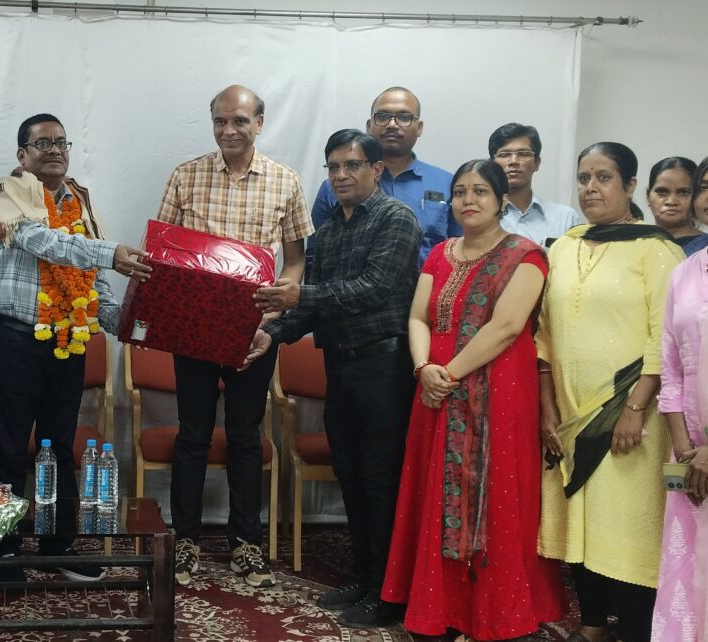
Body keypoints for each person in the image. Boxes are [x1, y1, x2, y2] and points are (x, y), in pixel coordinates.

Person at [381, 159, 566, 641]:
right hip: (435, 391)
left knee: (493, 494)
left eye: (480, 191)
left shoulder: (526, 256)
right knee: (435, 492)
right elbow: (418, 317)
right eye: (460, 191)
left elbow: (506, 327)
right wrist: (423, 369)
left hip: (496, 391)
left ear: (502, 200)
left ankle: (492, 612)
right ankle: (438, 607)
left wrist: (447, 374)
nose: (468, 200)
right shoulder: (441, 253)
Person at [250, 128, 419, 626]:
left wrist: (298, 296)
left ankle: (390, 593)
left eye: (352, 165)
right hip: (341, 368)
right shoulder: (325, 234)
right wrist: (271, 335)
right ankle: (363, 577)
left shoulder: (396, 219)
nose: (341, 175)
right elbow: (312, 311)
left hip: (386, 367)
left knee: (380, 479)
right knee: (351, 473)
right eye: (333, 167)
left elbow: (373, 288)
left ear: (377, 169)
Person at [0, 113, 149, 581]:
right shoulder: (3, 193)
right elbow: (39, 240)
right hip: (16, 341)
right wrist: (109, 253)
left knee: (58, 449)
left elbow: (94, 280)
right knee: (9, 451)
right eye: (43, 143)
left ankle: (59, 545)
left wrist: (130, 324)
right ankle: (3, 551)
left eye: (61, 142)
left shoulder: (80, 200)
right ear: (22, 154)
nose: (54, 150)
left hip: (69, 343)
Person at [158, 85, 310, 589]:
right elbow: (164, 250)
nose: (229, 130)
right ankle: (184, 540)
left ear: (259, 123)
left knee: (245, 436)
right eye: (220, 121)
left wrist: (272, 315)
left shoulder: (285, 181)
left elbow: (295, 261)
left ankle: (246, 543)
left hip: (255, 332)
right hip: (194, 329)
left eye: (240, 121)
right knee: (193, 435)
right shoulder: (185, 176)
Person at [537, 142, 682, 642]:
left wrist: (635, 408)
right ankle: (593, 626)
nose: (591, 188)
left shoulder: (657, 251)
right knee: (581, 521)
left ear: (629, 185)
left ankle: (637, 630)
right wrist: (548, 407)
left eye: (603, 178)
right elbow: (543, 335)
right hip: (571, 414)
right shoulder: (564, 246)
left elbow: (663, 338)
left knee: (629, 524)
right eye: (584, 178)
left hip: (630, 414)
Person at [652, 156, 708, 641]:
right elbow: (669, 365)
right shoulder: (686, 272)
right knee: (686, 565)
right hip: (688, 451)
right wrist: (685, 447)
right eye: (706, 186)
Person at [309, 86, 455, 266]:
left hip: (428, 284)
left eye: (404, 117)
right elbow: (314, 255)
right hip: (351, 284)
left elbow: (463, 249)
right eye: (382, 116)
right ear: (369, 126)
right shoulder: (337, 185)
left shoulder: (447, 184)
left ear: (419, 128)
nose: (392, 124)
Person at [488, 122, 581, 247]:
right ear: (492, 164)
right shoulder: (480, 217)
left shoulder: (565, 218)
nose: (514, 161)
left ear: (536, 163)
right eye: (504, 155)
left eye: (523, 154)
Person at [646, 156, 706, 254]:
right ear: (648, 196)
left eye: (683, 192)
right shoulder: (637, 245)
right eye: (662, 192)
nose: (671, 201)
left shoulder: (704, 249)